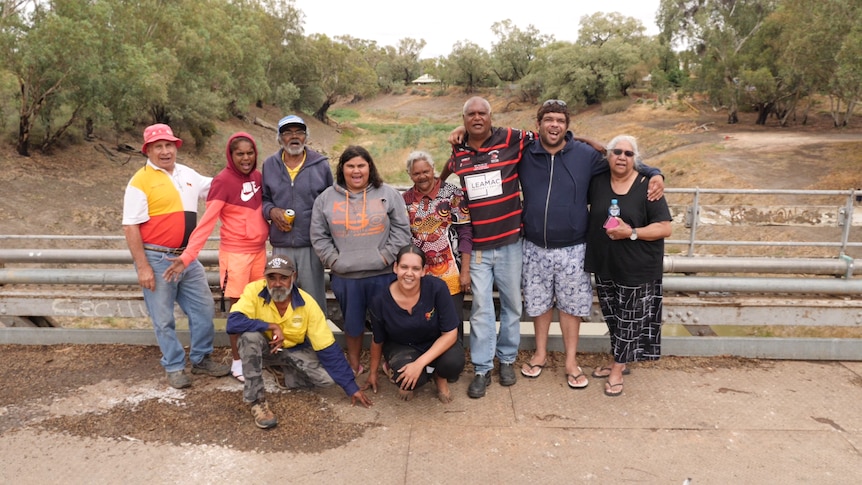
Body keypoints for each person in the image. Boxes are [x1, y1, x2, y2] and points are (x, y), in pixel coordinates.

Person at [519, 100, 664, 389]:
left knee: (572, 307)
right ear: (538, 124)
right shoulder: (524, 153)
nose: (554, 125)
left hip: (573, 247)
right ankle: (539, 354)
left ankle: (571, 362)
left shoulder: (584, 155)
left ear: (567, 125)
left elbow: (622, 160)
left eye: (560, 120)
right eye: (549, 119)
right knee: (539, 304)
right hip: (534, 245)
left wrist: (655, 171)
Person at [122, 123, 230, 389]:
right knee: (163, 318)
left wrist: (244, 178)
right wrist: (142, 267)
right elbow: (130, 226)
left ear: (176, 147)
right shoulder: (140, 181)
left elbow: (218, 187)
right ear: (147, 150)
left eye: (169, 145)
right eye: (158, 146)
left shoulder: (188, 174)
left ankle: (202, 359)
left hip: (187, 259)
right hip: (157, 259)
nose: (165, 151)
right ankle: (174, 366)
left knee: (204, 309)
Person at [441, 96, 531, 399]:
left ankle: (506, 361)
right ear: (464, 119)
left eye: (482, 113)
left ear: (491, 117)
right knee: (480, 309)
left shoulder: (511, 138)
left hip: (510, 244)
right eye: (470, 115)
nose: (477, 118)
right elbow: (444, 178)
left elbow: (548, 135)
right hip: (477, 248)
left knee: (512, 306)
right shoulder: (459, 150)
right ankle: (481, 369)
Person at [163, 132, 269, 383]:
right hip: (235, 255)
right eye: (240, 153)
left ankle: (254, 355)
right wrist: (188, 256)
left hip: (260, 253)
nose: (246, 158)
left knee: (259, 306)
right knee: (238, 310)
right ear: (230, 156)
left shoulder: (258, 177)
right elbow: (206, 224)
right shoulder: (222, 181)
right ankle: (238, 361)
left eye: (250, 152)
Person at [227, 255, 373, 429]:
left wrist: (351, 387)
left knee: (327, 380)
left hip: (293, 351)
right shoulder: (253, 291)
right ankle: (257, 401)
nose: (277, 283)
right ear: (265, 277)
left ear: (293, 277)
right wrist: (270, 325)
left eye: (284, 278)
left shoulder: (308, 304)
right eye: (272, 278)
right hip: (264, 350)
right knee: (249, 337)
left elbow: (327, 348)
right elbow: (233, 323)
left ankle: (284, 375)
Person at [310, 145, 412, 377]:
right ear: (342, 169)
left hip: (383, 273)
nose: (356, 171)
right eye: (351, 166)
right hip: (346, 277)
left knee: (387, 322)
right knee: (353, 324)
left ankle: (390, 362)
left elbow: (401, 230)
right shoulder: (325, 199)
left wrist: (386, 256)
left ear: (370, 167)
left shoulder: (388, 193)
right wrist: (334, 261)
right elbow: (318, 235)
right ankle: (354, 364)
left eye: (361, 166)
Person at [584, 135, 672, 397]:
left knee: (630, 319)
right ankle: (618, 360)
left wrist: (631, 232)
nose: (622, 157)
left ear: (636, 159)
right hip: (605, 263)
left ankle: (617, 369)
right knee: (613, 317)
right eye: (616, 152)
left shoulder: (648, 185)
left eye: (628, 154)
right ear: (608, 156)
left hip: (638, 267)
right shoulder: (598, 181)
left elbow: (665, 227)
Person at [363, 245, 465, 403]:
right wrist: (373, 373)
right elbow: (378, 339)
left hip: (435, 341)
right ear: (395, 267)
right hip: (402, 346)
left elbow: (450, 334)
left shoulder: (437, 288)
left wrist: (419, 364)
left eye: (415, 268)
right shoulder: (380, 299)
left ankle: (440, 378)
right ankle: (414, 379)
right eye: (404, 267)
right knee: (405, 378)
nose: (409, 273)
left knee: (453, 363)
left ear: (423, 271)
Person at [262, 115, 333, 312]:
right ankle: (284, 339)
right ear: (279, 138)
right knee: (281, 297)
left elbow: (331, 202)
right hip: (281, 245)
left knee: (313, 300)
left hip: (312, 244)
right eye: (288, 133)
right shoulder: (269, 165)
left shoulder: (320, 165)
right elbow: (264, 199)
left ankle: (316, 341)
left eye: (299, 132)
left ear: (306, 137)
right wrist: (272, 211)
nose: (294, 137)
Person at [402, 150, 472, 343]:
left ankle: (452, 364)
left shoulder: (452, 194)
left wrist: (465, 270)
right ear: (410, 175)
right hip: (420, 274)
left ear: (433, 169)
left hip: (451, 272)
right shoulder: (405, 200)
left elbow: (465, 232)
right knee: (425, 321)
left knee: (453, 321)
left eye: (426, 171)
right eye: (416, 173)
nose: (422, 176)